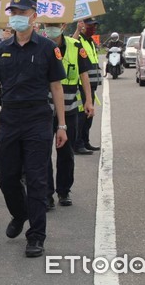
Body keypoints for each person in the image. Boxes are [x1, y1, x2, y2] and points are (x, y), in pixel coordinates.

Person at [0, 0, 68, 258]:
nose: (17, 16)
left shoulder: (47, 48)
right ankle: (20, 213)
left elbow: (56, 87)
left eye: (22, 12)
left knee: (37, 179)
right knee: (6, 176)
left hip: (38, 117)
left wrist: (61, 125)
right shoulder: (0, 49)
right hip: (10, 118)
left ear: (34, 16)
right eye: (13, 11)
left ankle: (36, 235)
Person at [39, 22, 94, 210]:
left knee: (66, 153)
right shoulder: (39, 45)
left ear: (63, 26)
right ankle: (46, 194)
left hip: (70, 108)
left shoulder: (75, 46)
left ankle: (64, 191)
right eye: (48, 25)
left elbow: (84, 75)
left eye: (55, 25)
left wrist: (89, 101)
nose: (52, 28)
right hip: (45, 109)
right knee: (43, 153)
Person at [72, 18, 103, 155]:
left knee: (88, 116)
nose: (93, 28)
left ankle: (85, 141)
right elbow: (72, 43)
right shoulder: (80, 39)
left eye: (94, 26)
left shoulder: (90, 41)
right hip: (82, 85)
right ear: (83, 26)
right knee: (81, 116)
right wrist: (77, 30)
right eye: (91, 26)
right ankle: (77, 144)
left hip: (92, 84)